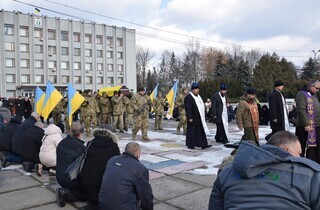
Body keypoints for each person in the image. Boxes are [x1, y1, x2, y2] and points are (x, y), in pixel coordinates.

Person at [209, 131, 320, 210]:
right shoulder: (311, 174)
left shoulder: (227, 172)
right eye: (299, 153)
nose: (300, 157)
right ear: (287, 149)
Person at [99, 142, 153, 210]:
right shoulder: (140, 168)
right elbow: (145, 196)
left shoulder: (112, 160)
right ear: (138, 153)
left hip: (103, 204)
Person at [80, 124, 120, 210]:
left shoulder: (90, 143)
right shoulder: (113, 146)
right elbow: (117, 164)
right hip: (103, 183)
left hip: (87, 180)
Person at [56, 122, 87, 207]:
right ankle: (66, 194)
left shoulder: (62, 142)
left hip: (59, 176)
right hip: (68, 179)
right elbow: (83, 167)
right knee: (90, 194)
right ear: (81, 133)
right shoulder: (80, 147)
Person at [295, 81, 320, 163]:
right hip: (304, 126)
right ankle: (300, 161)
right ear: (310, 86)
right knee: (302, 144)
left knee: (314, 146)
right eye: (317, 88)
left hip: (316, 125)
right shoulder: (301, 94)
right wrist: (306, 124)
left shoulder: (314, 96)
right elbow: (301, 110)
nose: (318, 90)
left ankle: (313, 161)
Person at [184, 83, 211, 149]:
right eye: (196, 89)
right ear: (192, 90)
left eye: (198, 89)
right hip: (193, 117)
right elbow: (188, 108)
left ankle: (203, 144)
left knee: (201, 131)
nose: (197, 90)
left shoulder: (199, 97)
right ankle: (191, 145)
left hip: (199, 116)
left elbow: (201, 105)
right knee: (192, 131)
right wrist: (190, 117)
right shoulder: (188, 97)